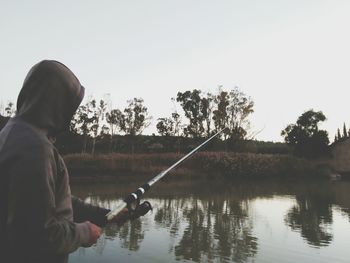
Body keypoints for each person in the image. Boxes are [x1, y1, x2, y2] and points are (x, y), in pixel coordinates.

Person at [0, 60, 149, 263]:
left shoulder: (13, 134)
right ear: (55, 103)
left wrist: (108, 214)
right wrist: (84, 233)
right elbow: (37, 235)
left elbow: (48, 203)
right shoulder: (34, 148)